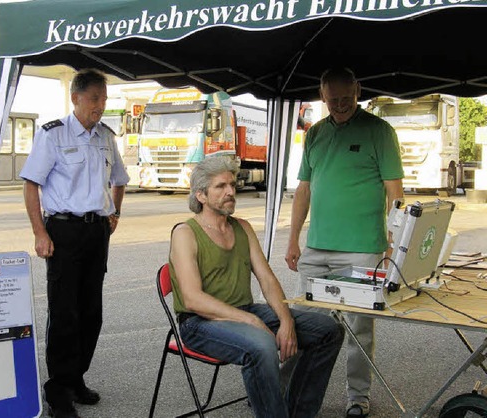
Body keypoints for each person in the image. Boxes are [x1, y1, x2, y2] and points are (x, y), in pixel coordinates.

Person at [169, 156, 344, 418]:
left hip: (243, 310)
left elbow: (267, 278)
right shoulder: (186, 233)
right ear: (201, 195)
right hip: (199, 323)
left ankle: (297, 413)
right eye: (220, 187)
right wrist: (249, 319)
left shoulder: (242, 228)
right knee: (261, 346)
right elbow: (193, 299)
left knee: (328, 330)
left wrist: (286, 321)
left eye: (231, 184)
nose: (230, 191)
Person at [284, 67, 404, 418]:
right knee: (299, 322)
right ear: (321, 96)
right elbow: (303, 190)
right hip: (317, 247)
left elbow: (394, 190)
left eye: (346, 98)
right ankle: (286, 386)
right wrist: (293, 239)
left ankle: (357, 396)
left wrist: (394, 242)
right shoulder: (315, 134)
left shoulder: (380, 131)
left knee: (358, 328)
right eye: (332, 99)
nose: (339, 105)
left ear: (359, 91)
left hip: (362, 247)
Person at [20, 68, 129, 418]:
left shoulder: (106, 137)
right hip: (63, 232)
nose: (100, 105)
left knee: (91, 313)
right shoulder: (52, 135)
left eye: (104, 99)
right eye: (95, 98)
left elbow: (120, 179)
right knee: (64, 312)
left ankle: (76, 378)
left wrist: (114, 214)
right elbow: (31, 184)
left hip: (96, 232)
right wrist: (40, 232)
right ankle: (58, 391)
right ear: (76, 98)